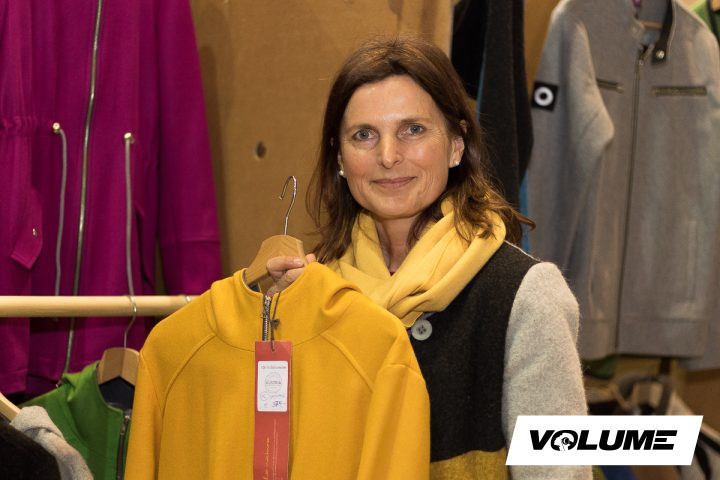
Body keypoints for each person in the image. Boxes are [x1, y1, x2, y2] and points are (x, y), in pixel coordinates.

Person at [267, 37, 591, 479]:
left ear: (457, 144)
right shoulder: (318, 293)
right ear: (339, 158)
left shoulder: (526, 297)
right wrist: (277, 319)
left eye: (413, 130)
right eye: (364, 135)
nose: (388, 156)